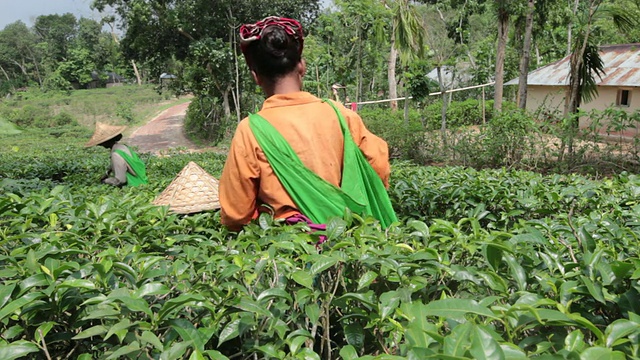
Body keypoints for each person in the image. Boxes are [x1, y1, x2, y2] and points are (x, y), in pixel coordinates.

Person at [218, 16, 396, 232]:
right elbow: (378, 169)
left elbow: (235, 213)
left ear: (256, 76)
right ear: (301, 66)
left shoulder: (250, 131)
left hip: (290, 250)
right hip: (350, 238)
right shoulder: (339, 114)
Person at [85, 122, 148, 187]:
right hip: (143, 181)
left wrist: (105, 181)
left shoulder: (116, 155)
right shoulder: (123, 147)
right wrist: (107, 173)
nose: (101, 145)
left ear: (106, 141)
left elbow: (120, 180)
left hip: (135, 185)